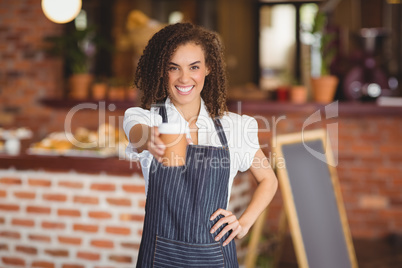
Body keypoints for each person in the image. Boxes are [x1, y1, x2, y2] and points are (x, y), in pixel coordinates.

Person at [123, 22, 278, 268]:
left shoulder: (234, 127)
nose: (185, 78)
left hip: (215, 257)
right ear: (163, 71)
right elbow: (137, 135)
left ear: (208, 68)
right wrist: (150, 139)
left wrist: (244, 223)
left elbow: (269, 180)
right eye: (174, 68)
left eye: (194, 67)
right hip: (160, 257)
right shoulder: (145, 119)